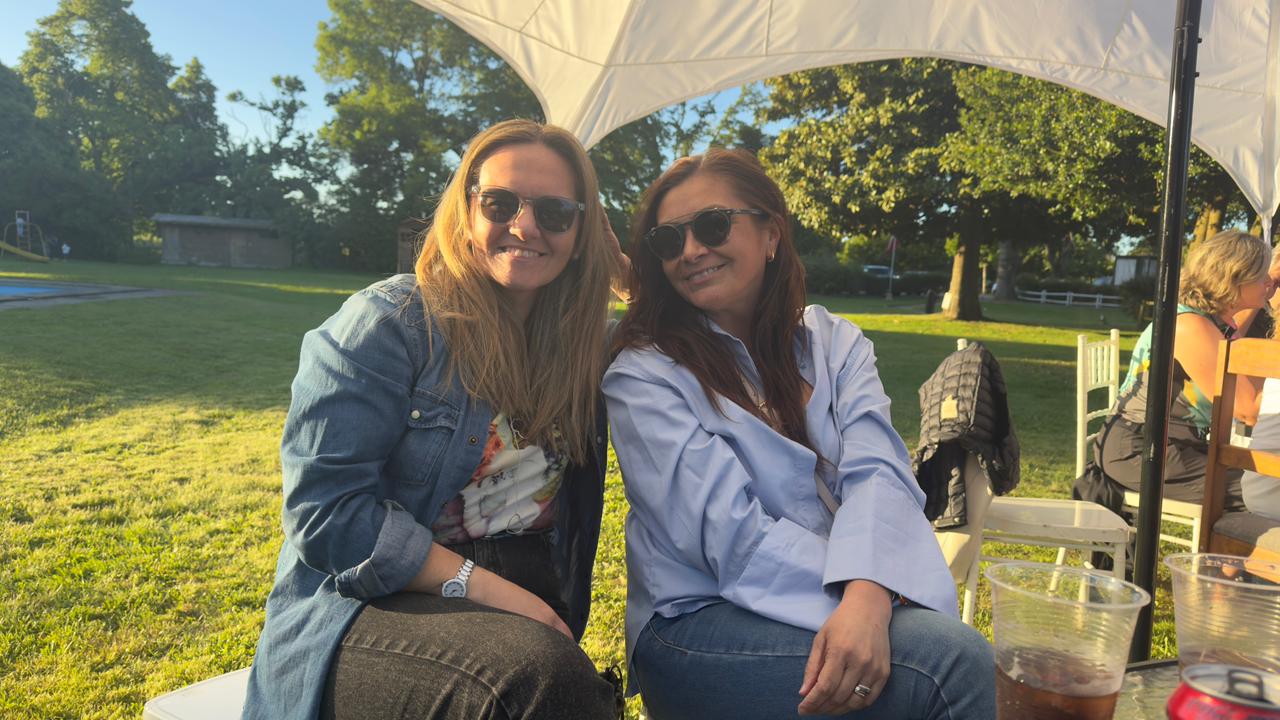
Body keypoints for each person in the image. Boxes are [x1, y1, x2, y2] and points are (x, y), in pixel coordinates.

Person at [242, 119, 623, 720]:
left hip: (522, 611)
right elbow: (325, 515)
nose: (525, 226)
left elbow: (697, 344)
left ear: (583, 233)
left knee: (555, 684)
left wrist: (625, 278)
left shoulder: (584, 346)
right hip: (366, 607)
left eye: (555, 212)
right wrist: (493, 592)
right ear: (467, 211)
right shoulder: (390, 323)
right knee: (542, 683)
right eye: (500, 203)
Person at [604, 149, 994, 719]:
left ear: (771, 234)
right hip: (697, 620)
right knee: (951, 664)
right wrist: (865, 595)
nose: (689, 251)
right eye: (668, 240)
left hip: (848, 595)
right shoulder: (644, 373)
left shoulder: (835, 343)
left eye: (712, 225)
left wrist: (869, 594)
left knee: (951, 658)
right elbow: (729, 537)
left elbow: (879, 473)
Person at [1078, 230, 1272, 516]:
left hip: (1172, 446)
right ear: (1234, 277)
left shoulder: (1213, 322)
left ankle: (1230, 547)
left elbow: (1251, 381)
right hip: (1142, 451)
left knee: (1264, 484)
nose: (1269, 282)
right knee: (1265, 490)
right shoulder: (1191, 327)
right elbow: (1249, 410)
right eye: (1262, 274)